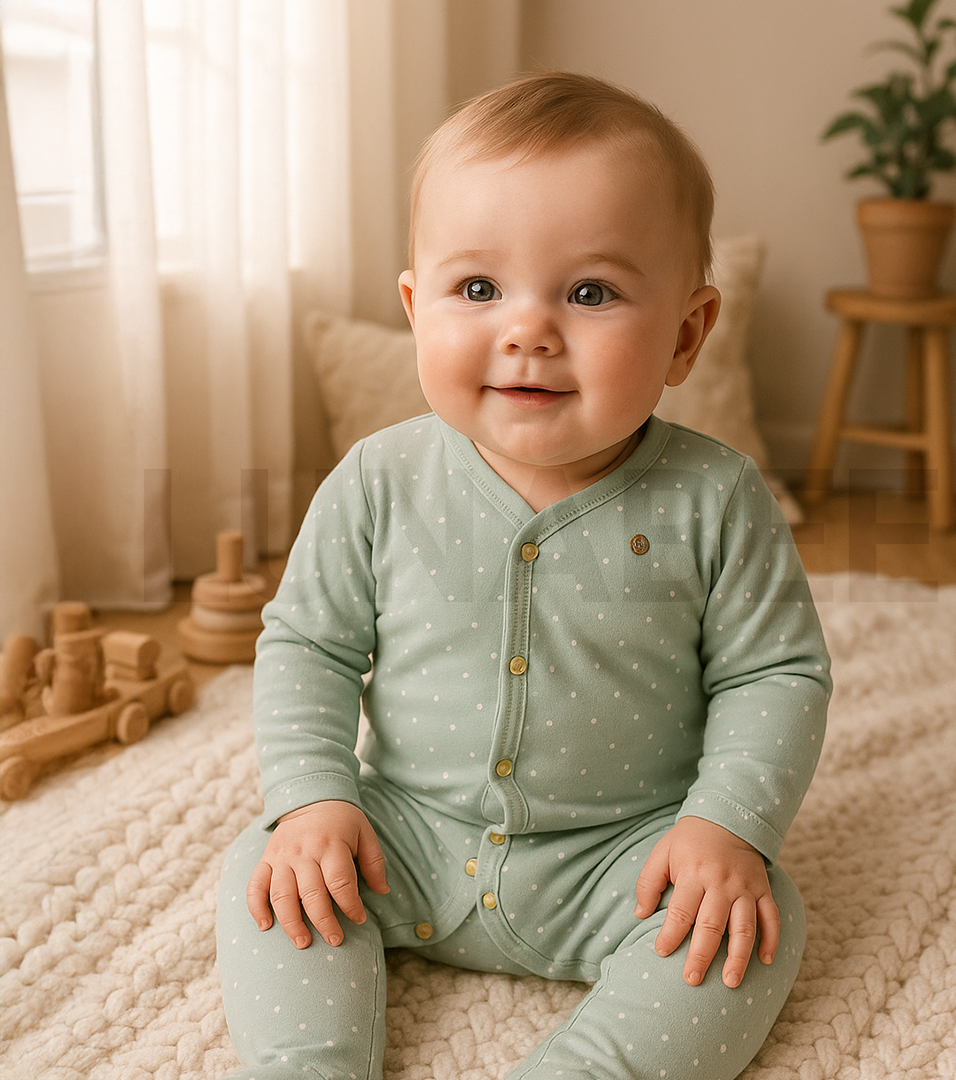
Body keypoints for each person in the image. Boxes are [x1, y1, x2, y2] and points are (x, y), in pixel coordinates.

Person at [216, 71, 831, 1080]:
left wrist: (724, 827)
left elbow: (776, 675)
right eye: (478, 289)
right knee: (268, 866)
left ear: (686, 332)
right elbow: (310, 646)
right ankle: (305, 1062)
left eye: (591, 293)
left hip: (624, 856)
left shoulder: (716, 497)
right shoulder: (379, 481)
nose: (528, 328)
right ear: (416, 310)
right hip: (406, 835)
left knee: (752, 922)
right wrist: (317, 799)